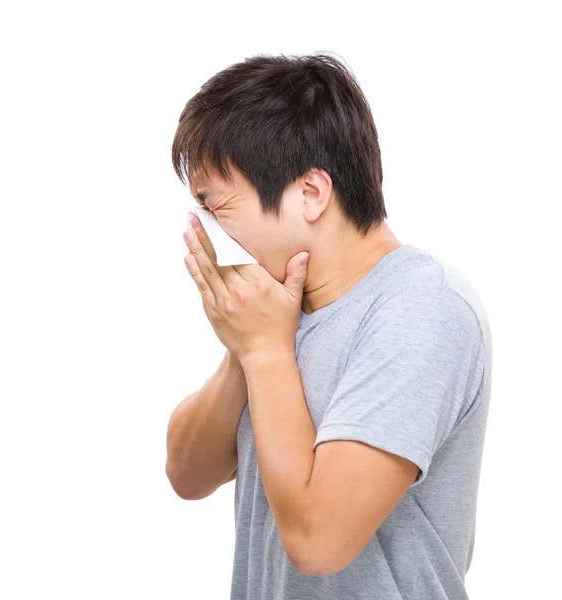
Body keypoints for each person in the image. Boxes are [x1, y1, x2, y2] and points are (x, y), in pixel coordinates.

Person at [166, 52, 492, 600]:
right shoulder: (282, 310)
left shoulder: (422, 309)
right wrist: (246, 349)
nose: (207, 229)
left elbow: (320, 541)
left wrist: (267, 351)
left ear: (311, 194)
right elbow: (187, 474)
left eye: (216, 205)